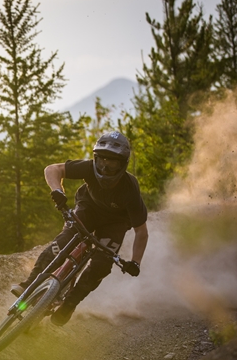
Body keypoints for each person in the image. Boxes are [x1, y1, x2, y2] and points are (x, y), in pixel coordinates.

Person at [11, 131, 149, 326]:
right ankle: (30, 284)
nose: (105, 166)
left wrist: (135, 262)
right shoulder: (89, 168)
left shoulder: (130, 189)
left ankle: (70, 304)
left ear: (123, 163)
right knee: (62, 242)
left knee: (101, 264)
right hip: (88, 208)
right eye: (101, 160)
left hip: (115, 223)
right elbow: (52, 169)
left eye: (112, 162)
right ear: (95, 158)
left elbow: (141, 232)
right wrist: (57, 191)